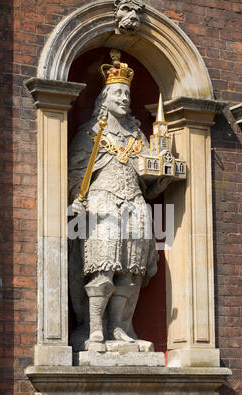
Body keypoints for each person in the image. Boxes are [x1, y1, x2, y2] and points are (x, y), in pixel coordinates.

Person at [68, 50, 170, 352]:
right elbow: (77, 170)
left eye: (127, 93)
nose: (125, 98)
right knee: (103, 266)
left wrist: (161, 172)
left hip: (135, 203)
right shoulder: (91, 133)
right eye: (118, 93)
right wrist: (75, 198)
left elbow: (147, 177)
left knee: (130, 269)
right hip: (102, 203)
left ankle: (119, 327)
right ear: (105, 98)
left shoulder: (138, 134)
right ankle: (95, 329)